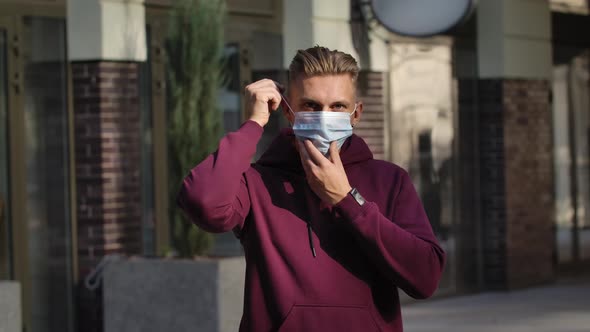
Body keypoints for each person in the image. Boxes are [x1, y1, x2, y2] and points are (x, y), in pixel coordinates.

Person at [177, 46, 445, 332]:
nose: (324, 116)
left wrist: (349, 201)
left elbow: (425, 278)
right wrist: (253, 124)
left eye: (338, 107)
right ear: (289, 112)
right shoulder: (256, 183)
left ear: (356, 114)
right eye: (311, 106)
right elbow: (202, 202)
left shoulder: (390, 181)